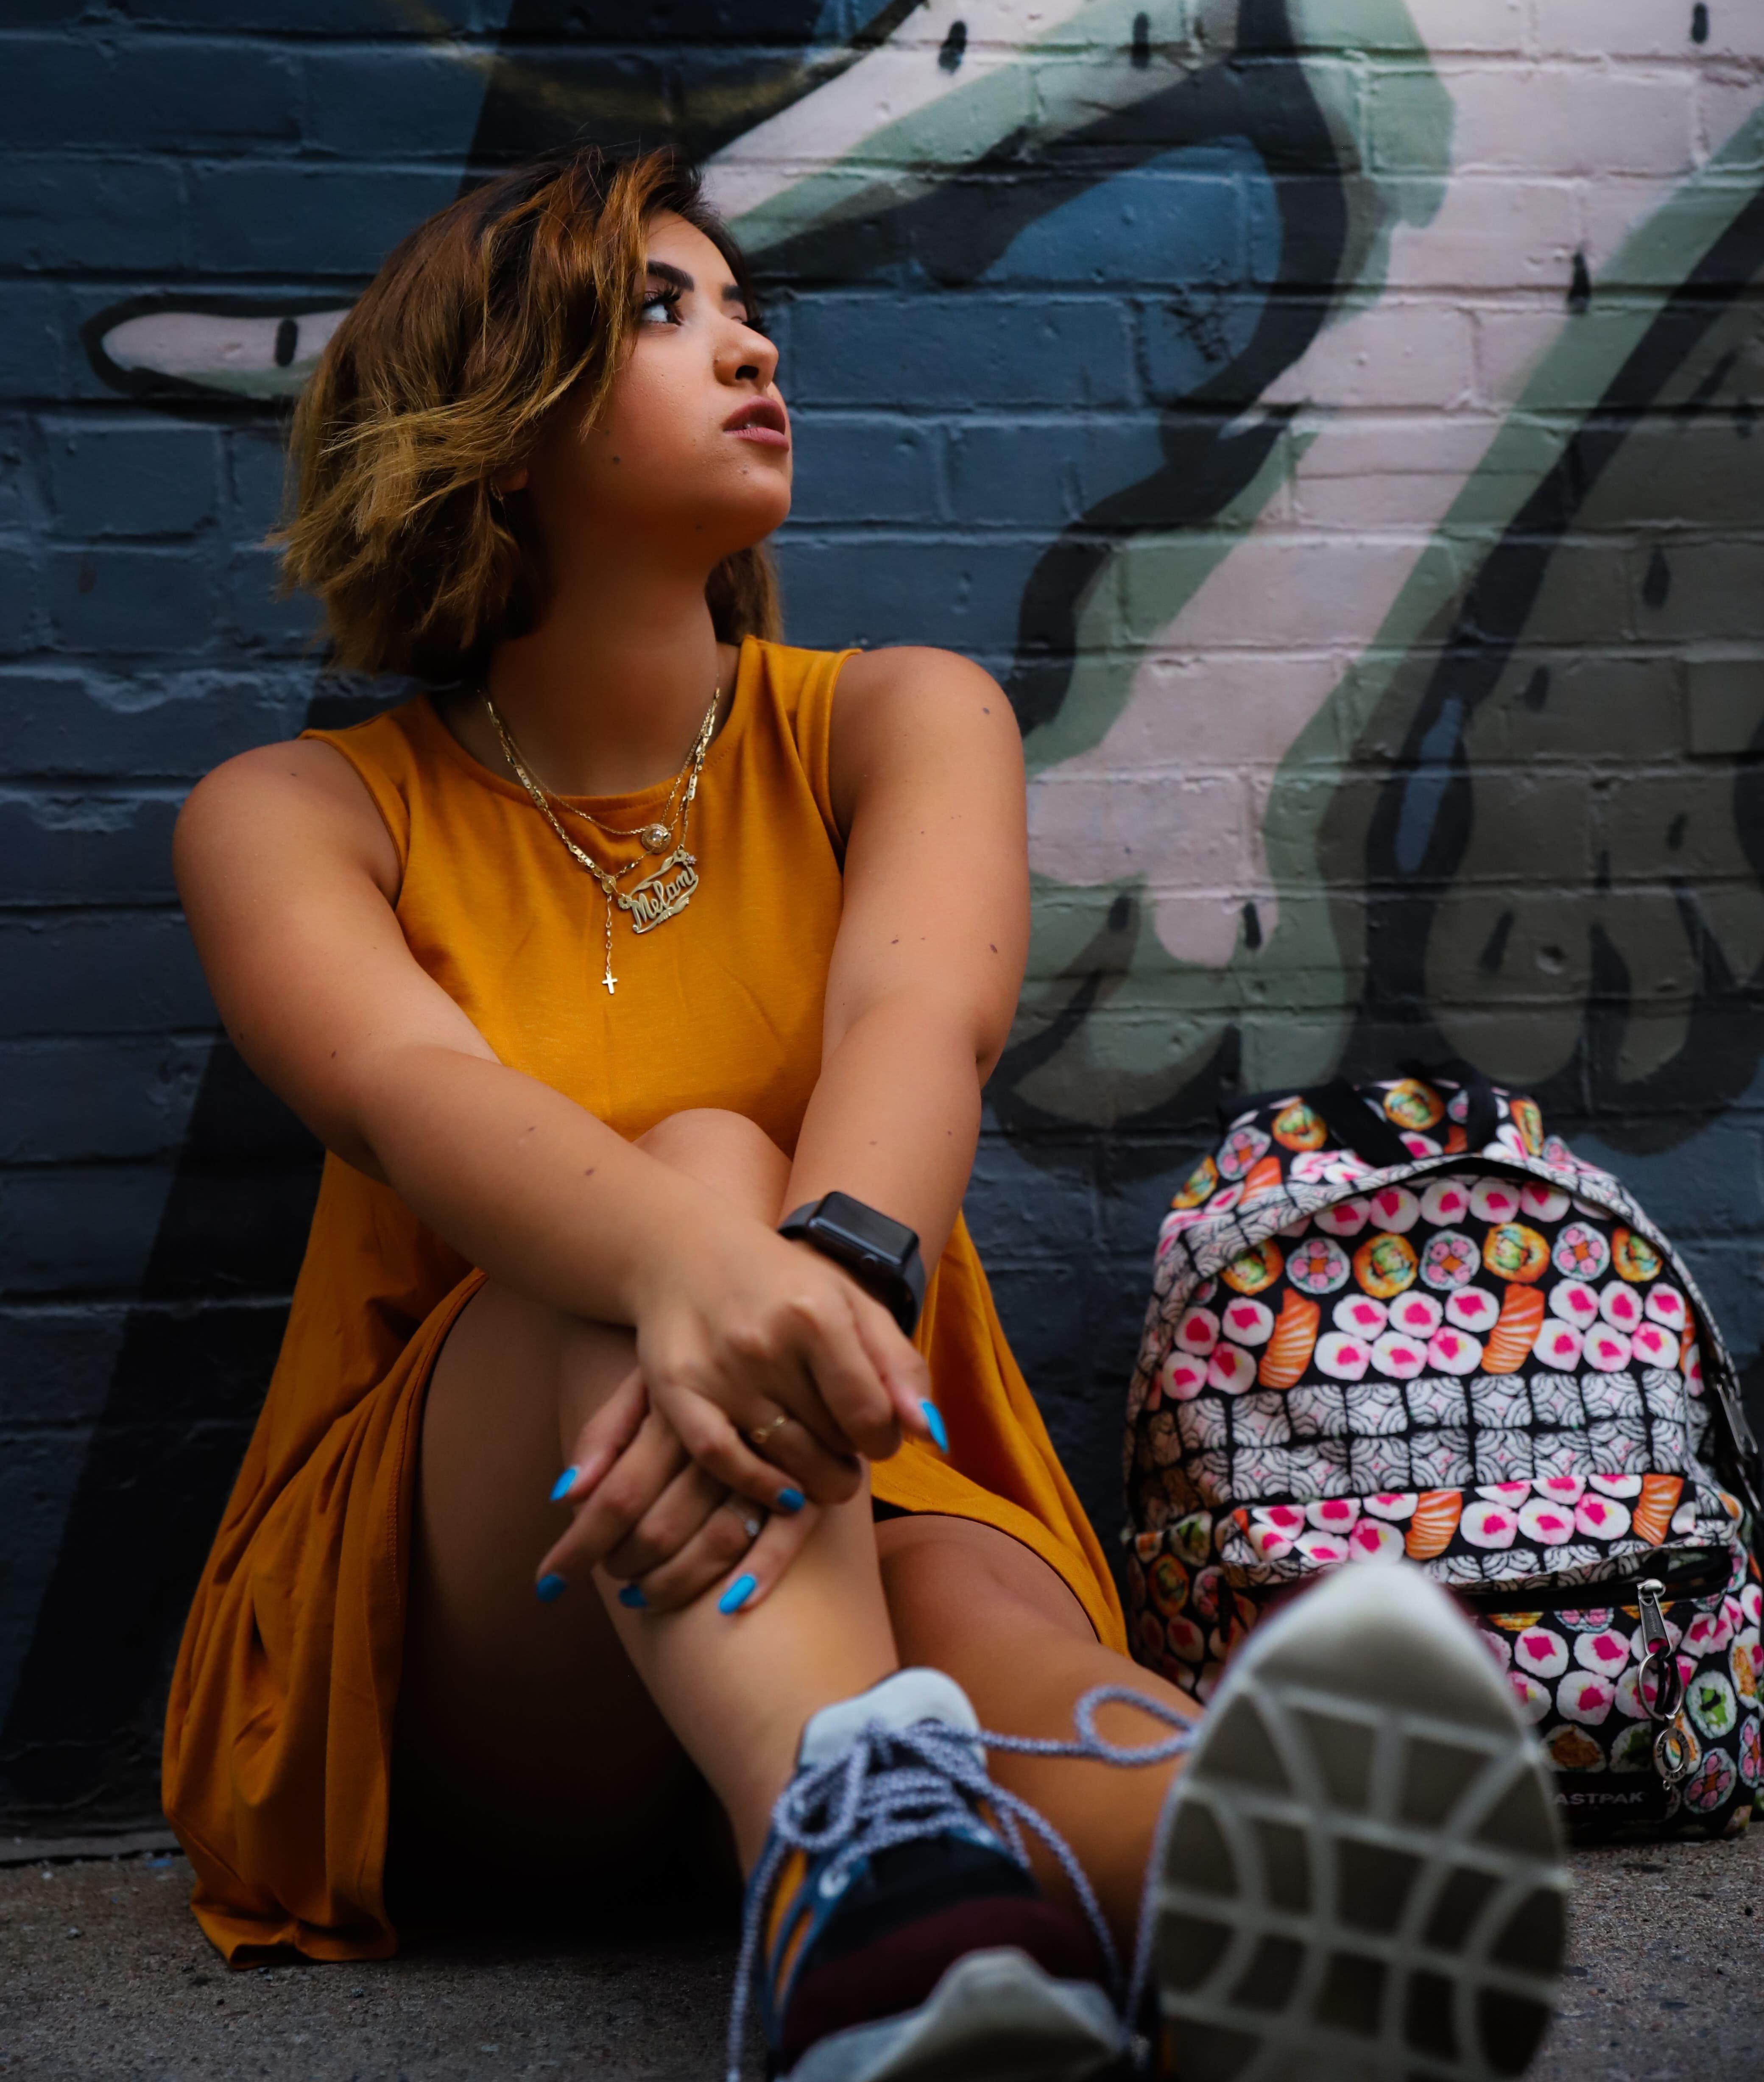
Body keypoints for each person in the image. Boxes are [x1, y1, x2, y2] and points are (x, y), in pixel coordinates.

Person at [163, 146, 1566, 2082]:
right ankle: (871, 1859)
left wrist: (796, 1311)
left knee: (980, 1598)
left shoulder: (896, 718)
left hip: (848, 1467)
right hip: (483, 1629)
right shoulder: (298, 814)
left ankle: (1240, 1892)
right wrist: (709, 1270)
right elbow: (409, 1097)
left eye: (747, 307)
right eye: (661, 310)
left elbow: (924, 1018)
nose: (745, 344)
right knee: (701, 1169)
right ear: (497, 435)